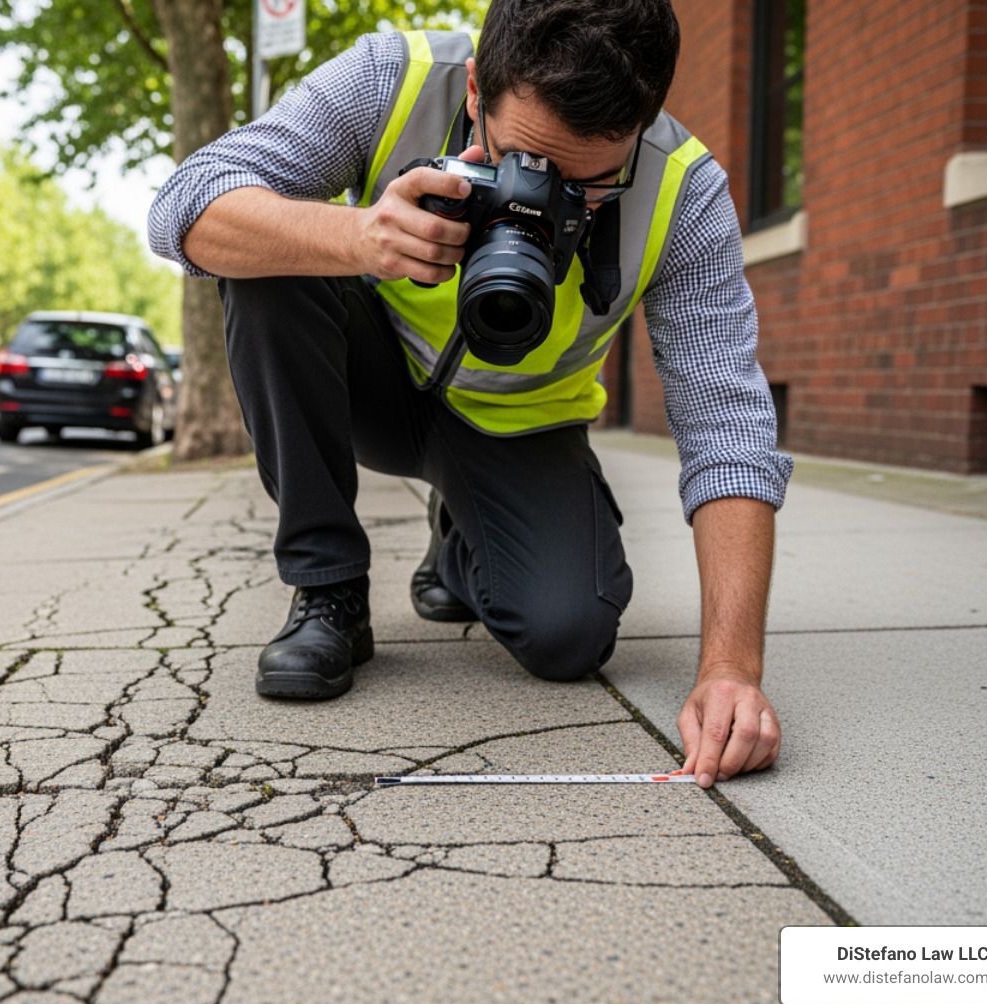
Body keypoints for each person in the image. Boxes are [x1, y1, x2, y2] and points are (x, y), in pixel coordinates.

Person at [148, 0, 792, 787]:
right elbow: (182, 207)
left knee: (569, 637)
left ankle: (460, 542)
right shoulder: (395, 78)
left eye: (591, 186)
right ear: (479, 90)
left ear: (645, 122)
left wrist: (731, 667)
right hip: (371, 387)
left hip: (516, 425)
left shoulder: (684, 190)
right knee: (267, 260)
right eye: (522, 163)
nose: (550, 206)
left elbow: (727, 424)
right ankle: (327, 593)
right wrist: (355, 238)